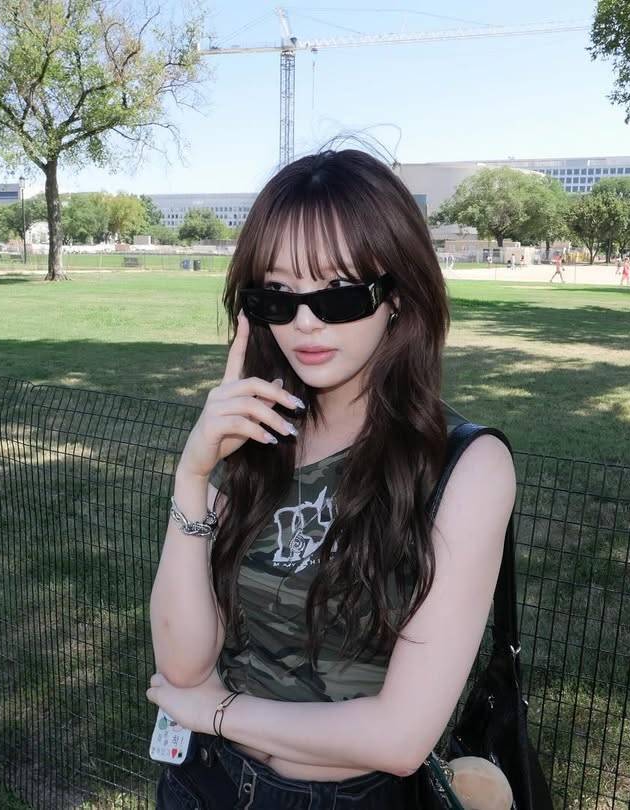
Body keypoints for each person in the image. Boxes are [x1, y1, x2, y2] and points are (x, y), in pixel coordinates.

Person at [147, 148, 516, 809]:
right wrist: (193, 473)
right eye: (277, 295)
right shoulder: (258, 435)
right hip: (202, 782)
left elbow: (401, 737)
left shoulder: (466, 467)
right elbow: (181, 665)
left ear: (397, 295)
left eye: (339, 292)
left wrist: (219, 712)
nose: (305, 322)